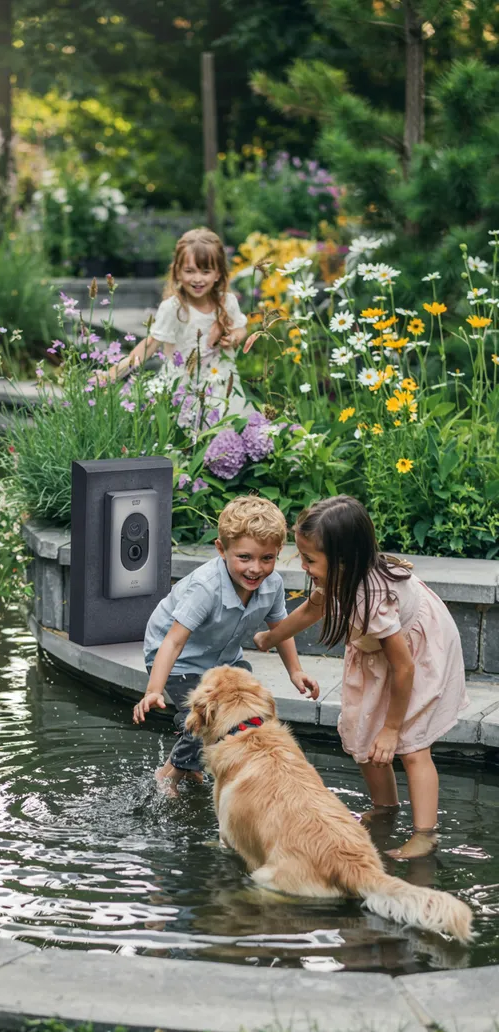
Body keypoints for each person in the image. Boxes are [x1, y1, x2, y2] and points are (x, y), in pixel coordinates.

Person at [255, 495, 469, 860]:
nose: (304, 567)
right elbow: (313, 606)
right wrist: (272, 637)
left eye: (310, 559)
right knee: (362, 736)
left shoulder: (373, 597)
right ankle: (386, 809)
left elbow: (404, 668)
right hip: (380, 654)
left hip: (416, 654)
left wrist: (392, 728)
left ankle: (425, 834)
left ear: (343, 559)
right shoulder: (340, 574)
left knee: (413, 745)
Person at [134, 496, 320, 796]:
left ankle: (192, 766)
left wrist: (295, 672)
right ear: (222, 549)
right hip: (179, 660)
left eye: (267, 558)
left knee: (251, 710)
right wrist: (153, 690)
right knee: (208, 717)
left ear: (277, 554)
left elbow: (281, 629)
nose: (255, 569)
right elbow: (174, 641)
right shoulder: (206, 588)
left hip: (224, 660)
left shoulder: (272, 586)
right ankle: (168, 773)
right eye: (244, 557)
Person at [112, 227, 250, 416]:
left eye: (206, 271)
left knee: (221, 431)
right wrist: (114, 373)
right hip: (184, 388)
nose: (197, 279)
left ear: (218, 274)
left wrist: (233, 337)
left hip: (220, 383)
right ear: (177, 272)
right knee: (186, 438)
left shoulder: (227, 302)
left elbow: (241, 329)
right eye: (189, 271)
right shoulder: (174, 308)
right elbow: (151, 344)